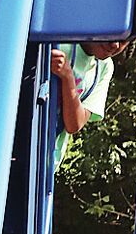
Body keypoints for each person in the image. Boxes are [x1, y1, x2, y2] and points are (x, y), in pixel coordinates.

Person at [51, 39, 128, 172]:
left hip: (48, 162)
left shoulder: (104, 67)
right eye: (113, 32)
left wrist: (67, 77)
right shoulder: (61, 40)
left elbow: (74, 124)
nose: (115, 45)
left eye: (124, 40)